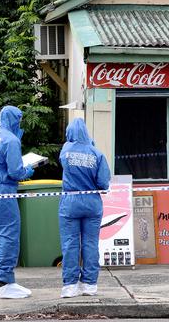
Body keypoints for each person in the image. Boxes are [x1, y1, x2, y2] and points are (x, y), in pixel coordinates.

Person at [0, 105, 35, 299]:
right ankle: (6, 283)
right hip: (3, 191)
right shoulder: (11, 140)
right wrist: (26, 171)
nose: (20, 123)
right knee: (7, 235)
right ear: (14, 119)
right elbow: (15, 171)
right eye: (19, 120)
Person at [58, 118, 111, 298]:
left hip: (70, 203)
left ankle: (70, 285)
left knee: (70, 243)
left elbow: (64, 161)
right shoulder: (97, 153)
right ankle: (90, 284)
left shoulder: (66, 150)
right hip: (92, 204)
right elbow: (104, 184)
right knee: (90, 243)